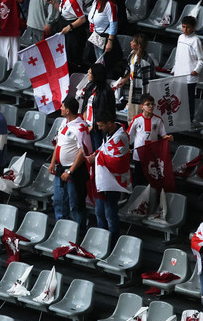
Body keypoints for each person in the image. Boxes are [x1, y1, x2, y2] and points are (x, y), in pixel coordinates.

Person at [49, 98, 91, 229]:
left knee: (76, 204)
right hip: (60, 170)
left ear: (68, 110)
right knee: (59, 202)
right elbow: (58, 144)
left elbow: (82, 152)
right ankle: (60, 230)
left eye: (62, 107)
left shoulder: (81, 127)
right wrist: (52, 163)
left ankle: (80, 232)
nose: (60, 109)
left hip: (74, 173)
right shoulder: (64, 123)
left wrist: (70, 171)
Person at [92, 111, 130, 239]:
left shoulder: (120, 137)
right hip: (104, 178)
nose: (99, 128)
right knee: (99, 212)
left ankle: (112, 242)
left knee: (110, 214)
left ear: (109, 124)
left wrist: (96, 158)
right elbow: (104, 148)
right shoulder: (109, 132)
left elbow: (116, 160)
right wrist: (96, 154)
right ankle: (101, 240)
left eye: (101, 125)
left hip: (113, 181)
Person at [128, 94, 173, 186]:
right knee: (137, 176)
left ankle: (148, 197)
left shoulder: (158, 120)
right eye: (148, 104)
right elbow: (128, 134)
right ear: (142, 106)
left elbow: (163, 135)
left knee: (149, 177)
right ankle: (136, 196)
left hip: (152, 154)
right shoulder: (137, 119)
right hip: (139, 154)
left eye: (152, 104)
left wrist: (168, 137)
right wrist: (127, 147)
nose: (151, 106)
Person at [45, 0, 86, 71]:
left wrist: (70, 27)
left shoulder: (74, 1)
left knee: (71, 55)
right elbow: (62, 10)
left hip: (73, 32)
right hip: (63, 25)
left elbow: (82, 19)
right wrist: (53, 2)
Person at [115, 33, 155, 122]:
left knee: (138, 116)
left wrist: (144, 99)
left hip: (140, 91)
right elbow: (131, 71)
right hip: (132, 87)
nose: (130, 42)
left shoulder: (146, 62)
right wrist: (124, 80)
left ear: (138, 45)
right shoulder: (132, 55)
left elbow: (146, 83)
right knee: (130, 115)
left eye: (133, 41)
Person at [86, 0, 121, 72]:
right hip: (95, 35)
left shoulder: (110, 5)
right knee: (93, 59)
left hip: (105, 36)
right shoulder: (96, 1)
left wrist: (110, 41)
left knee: (105, 61)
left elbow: (113, 23)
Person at [81, 63, 115, 150]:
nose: (88, 74)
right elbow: (85, 105)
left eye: (90, 72)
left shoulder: (106, 91)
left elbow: (106, 111)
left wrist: (93, 126)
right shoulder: (90, 86)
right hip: (87, 123)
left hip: (98, 127)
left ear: (96, 75)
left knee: (97, 150)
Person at [176, 15, 203, 122]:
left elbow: (201, 59)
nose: (185, 30)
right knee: (178, 98)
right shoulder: (180, 38)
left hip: (189, 76)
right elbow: (178, 55)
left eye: (187, 27)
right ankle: (178, 120)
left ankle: (189, 120)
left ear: (193, 27)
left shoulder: (196, 40)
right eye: (183, 27)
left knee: (188, 99)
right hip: (179, 74)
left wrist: (196, 70)